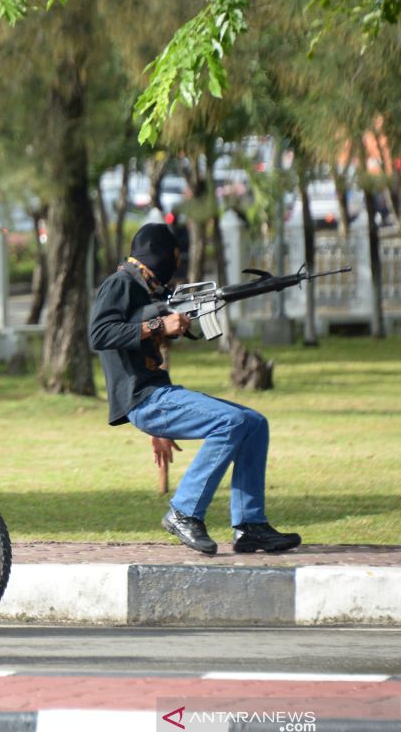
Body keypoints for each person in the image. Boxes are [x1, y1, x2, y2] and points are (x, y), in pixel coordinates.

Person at [88, 223, 302, 556]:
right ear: (156, 254)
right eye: (172, 256)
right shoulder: (120, 284)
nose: (175, 264)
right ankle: (184, 512)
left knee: (254, 422)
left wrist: (160, 428)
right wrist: (159, 325)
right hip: (144, 399)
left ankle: (250, 527)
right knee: (231, 422)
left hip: (158, 395)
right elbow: (99, 335)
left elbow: (142, 353)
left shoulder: (150, 292)